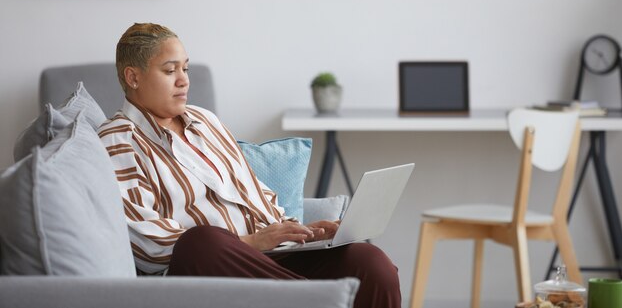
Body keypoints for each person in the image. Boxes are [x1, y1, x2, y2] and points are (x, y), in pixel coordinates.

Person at [98, 23, 401, 308]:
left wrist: (299, 233)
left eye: (185, 68)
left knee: (369, 262)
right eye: (169, 70)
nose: (183, 80)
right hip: (208, 267)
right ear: (133, 77)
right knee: (200, 241)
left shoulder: (205, 121)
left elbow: (254, 191)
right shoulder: (118, 140)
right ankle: (317, 297)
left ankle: (310, 295)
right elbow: (146, 241)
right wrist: (250, 242)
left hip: (268, 260)